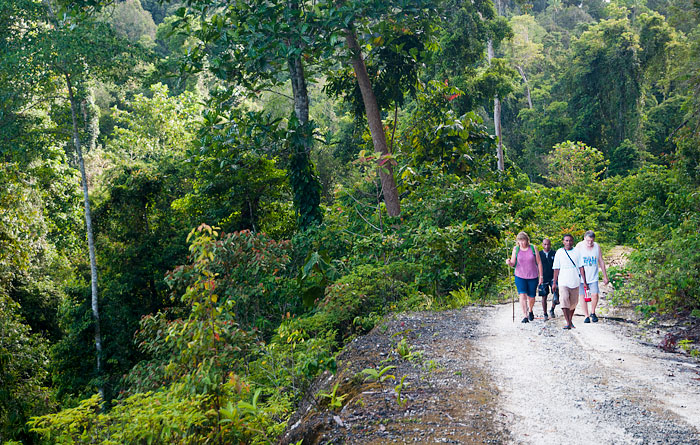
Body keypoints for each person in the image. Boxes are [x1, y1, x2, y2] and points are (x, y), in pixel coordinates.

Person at [506, 232, 544, 323]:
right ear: (518, 241)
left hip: (533, 276)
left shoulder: (533, 248)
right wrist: (509, 262)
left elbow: (539, 263)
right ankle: (525, 315)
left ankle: (530, 310)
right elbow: (513, 263)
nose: (522, 243)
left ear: (527, 240)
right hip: (520, 275)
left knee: (531, 297)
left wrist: (541, 276)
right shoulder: (516, 249)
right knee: (522, 294)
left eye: (524, 240)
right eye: (520, 240)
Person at [552, 234, 588, 330]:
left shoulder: (577, 252)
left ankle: (570, 320)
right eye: (566, 241)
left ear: (573, 242)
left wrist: (584, 281)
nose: (568, 242)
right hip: (563, 281)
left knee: (573, 303)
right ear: (563, 242)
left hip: (575, 281)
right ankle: (568, 322)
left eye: (570, 241)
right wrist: (554, 282)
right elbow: (556, 268)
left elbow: (581, 267)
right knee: (564, 300)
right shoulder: (559, 252)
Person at [576, 231, 609, 323]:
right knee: (583, 296)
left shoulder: (597, 246)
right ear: (584, 238)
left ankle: (593, 312)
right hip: (582, 276)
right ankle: (586, 315)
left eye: (591, 241)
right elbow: (575, 260)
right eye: (588, 241)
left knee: (594, 294)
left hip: (593, 275)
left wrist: (605, 276)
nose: (590, 243)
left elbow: (601, 261)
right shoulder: (579, 246)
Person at [538, 238, 556, 320]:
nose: (546, 246)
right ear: (542, 245)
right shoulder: (539, 254)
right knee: (544, 296)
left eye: (548, 244)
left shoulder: (554, 253)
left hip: (553, 277)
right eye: (545, 244)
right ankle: (545, 313)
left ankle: (552, 309)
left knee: (556, 293)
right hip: (543, 277)